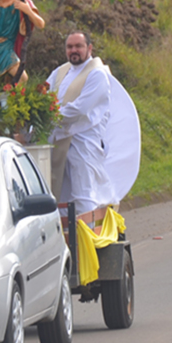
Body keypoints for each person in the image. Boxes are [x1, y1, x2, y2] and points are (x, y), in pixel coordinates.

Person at [46, 32, 113, 217]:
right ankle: (68, 239)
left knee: (83, 193)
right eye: (69, 47)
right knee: (59, 193)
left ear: (89, 48)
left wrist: (48, 117)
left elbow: (80, 109)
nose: (74, 50)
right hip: (59, 140)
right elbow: (44, 97)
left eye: (78, 46)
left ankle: (87, 240)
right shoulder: (60, 72)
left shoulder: (97, 74)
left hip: (83, 143)